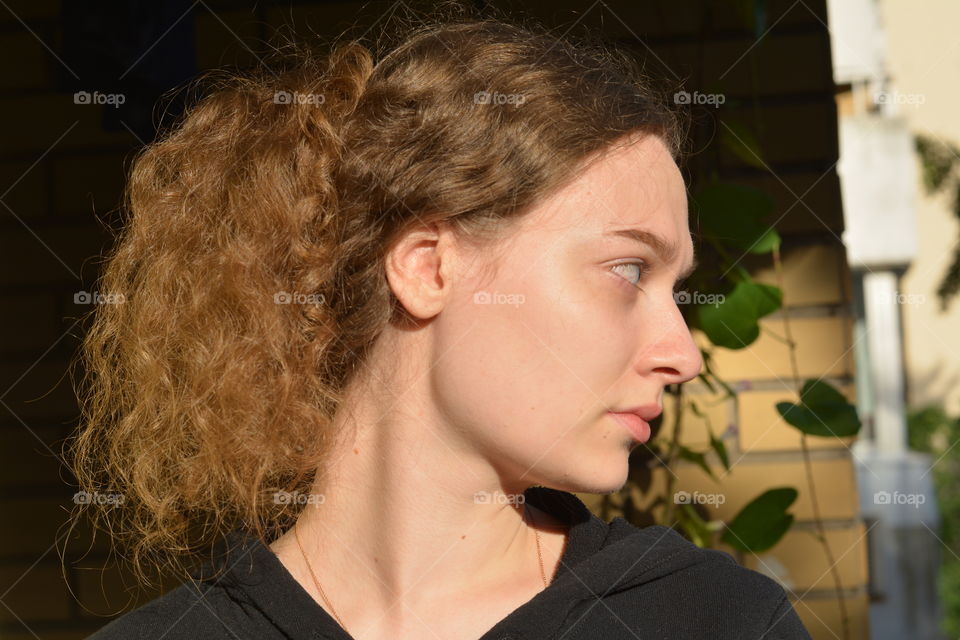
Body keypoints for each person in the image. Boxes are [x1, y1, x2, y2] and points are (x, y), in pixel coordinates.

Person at [72, 10, 812, 640]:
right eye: (627, 271)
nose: (682, 354)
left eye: (674, 288)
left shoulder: (718, 622)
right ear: (428, 267)